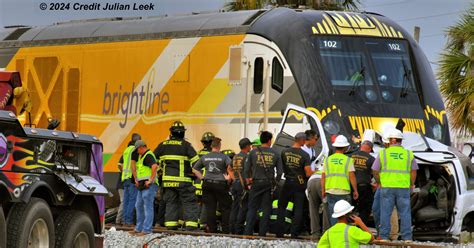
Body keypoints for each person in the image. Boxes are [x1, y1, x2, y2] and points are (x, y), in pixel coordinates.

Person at [372, 129, 417, 242]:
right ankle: (407, 237)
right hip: (403, 187)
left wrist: (379, 182)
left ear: (391, 140)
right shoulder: (408, 154)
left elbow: (375, 170)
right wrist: (411, 184)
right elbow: (413, 171)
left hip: (387, 187)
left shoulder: (383, 153)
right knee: (405, 212)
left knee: (385, 212)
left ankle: (384, 236)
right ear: (400, 141)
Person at [153, 121, 200, 230]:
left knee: (171, 204)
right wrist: (194, 174)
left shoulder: (162, 146)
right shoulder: (186, 146)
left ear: (171, 133)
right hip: (184, 182)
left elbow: (153, 163)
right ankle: (191, 227)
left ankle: (171, 227)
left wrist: (160, 173)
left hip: (167, 182)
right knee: (189, 203)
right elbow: (197, 163)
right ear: (183, 133)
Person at [243, 131, 283, 236]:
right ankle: (262, 233)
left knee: (252, 208)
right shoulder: (275, 153)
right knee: (266, 209)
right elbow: (280, 172)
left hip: (256, 183)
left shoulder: (253, 152)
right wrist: (276, 182)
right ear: (269, 140)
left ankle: (248, 232)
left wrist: (248, 181)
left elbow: (246, 169)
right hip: (268, 184)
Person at [275, 132, 312, 238]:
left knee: (281, 206)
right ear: (301, 140)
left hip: (287, 182)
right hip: (299, 183)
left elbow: (284, 167)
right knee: (298, 208)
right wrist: (316, 172)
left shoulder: (284, 152)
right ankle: (294, 233)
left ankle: (279, 232)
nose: (305, 142)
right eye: (304, 140)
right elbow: (308, 173)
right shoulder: (305, 155)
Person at [193, 137, 233, 233]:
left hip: (207, 184)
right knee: (225, 207)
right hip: (220, 184)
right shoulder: (224, 157)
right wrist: (229, 178)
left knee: (210, 208)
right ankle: (225, 230)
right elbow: (231, 168)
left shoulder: (205, 157)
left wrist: (202, 178)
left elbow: (194, 169)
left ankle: (212, 230)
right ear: (219, 146)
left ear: (211, 146)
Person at [321, 135, 359, 226]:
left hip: (330, 190)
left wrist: (323, 190)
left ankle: (334, 232)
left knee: (333, 214)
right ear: (345, 148)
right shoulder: (348, 160)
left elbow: (323, 176)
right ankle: (343, 233)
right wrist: (355, 190)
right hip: (343, 191)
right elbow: (352, 176)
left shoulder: (327, 160)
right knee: (345, 214)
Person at [302, 130, 329, 238]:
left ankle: (315, 233)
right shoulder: (303, 150)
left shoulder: (312, 151)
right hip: (308, 179)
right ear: (310, 138)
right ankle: (324, 232)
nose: (316, 142)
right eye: (315, 139)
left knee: (313, 208)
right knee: (324, 207)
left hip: (311, 180)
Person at [129, 140, 159, 236]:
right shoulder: (142, 156)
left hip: (149, 185)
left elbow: (154, 166)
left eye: (137, 149)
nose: (137, 152)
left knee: (147, 207)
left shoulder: (148, 155)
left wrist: (150, 180)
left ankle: (146, 229)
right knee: (139, 205)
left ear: (141, 147)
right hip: (143, 185)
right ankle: (139, 228)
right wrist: (137, 180)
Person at [117, 133, 141, 226]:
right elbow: (135, 165)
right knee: (132, 200)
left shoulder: (126, 150)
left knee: (126, 201)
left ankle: (124, 220)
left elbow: (119, 164)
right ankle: (129, 221)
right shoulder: (135, 150)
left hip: (125, 178)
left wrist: (124, 172)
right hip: (131, 178)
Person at [229, 138, 252, 234]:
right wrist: (249, 182)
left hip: (235, 184)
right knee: (243, 207)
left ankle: (232, 229)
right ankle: (239, 229)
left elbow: (229, 168)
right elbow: (248, 171)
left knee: (235, 207)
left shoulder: (235, 157)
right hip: (243, 185)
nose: (251, 147)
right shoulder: (247, 157)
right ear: (247, 146)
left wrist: (234, 179)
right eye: (250, 145)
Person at [350, 140, 375, 224]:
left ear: (361, 146)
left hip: (350, 186)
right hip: (364, 187)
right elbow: (375, 172)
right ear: (370, 149)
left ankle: (349, 226)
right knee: (365, 209)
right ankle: (361, 227)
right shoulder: (371, 159)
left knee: (350, 208)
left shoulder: (351, 156)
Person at [194, 132, 215, 229]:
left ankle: (195, 222)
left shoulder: (197, 154)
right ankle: (202, 224)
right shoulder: (214, 155)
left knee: (197, 203)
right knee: (206, 204)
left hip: (197, 183)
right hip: (207, 184)